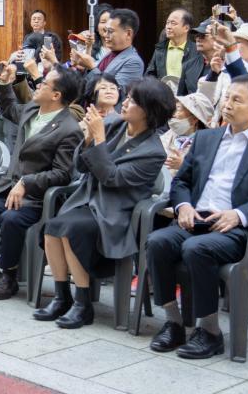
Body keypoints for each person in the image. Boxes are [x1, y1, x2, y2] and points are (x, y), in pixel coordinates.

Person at [147, 76, 248, 358]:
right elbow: (181, 182)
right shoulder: (206, 138)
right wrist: (184, 206)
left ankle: (209, 331)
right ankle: (173, 322)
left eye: (237, 100)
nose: (228, 104)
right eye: (227, 97)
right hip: (196, 219)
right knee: (157, 241)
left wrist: (239, 214)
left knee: (197, 249)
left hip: (236, 229)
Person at [34, 78, 174, 329]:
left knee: (70, 229)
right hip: (88, 201)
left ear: (148, 111)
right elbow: (79, 165)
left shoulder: (153, 152)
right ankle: (61, 295)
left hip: (116, 213)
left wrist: (98, 140)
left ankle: (83, 302)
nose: (126, 102)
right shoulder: (113, 124)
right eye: (128, 97)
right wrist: (87, 139)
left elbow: (112, 179)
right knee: (52, 228)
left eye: (133, 100)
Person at [0, 66, 83, 298]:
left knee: (10, 219)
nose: (39, 84)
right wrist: (5, 83)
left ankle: (9, 275)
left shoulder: (69, 129)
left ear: (56, 95)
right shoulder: (33, 110)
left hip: (36, 200)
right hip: (8, 188)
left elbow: (62, 173)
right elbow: (8, 108)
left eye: (45, 83)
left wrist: (27, 182)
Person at [159, 92, 214, 193]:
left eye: (178, 109)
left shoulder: (207, 145)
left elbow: (209, 179)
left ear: (194, 119)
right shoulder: (171, 134)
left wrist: (184, 166)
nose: (173, 114)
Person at [146, 9, 197, 82]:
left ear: (186, 28)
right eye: (167, 23)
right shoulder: (160, 49)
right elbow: (150, 74)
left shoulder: (196, 50)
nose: (168, 27)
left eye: (173, 23)